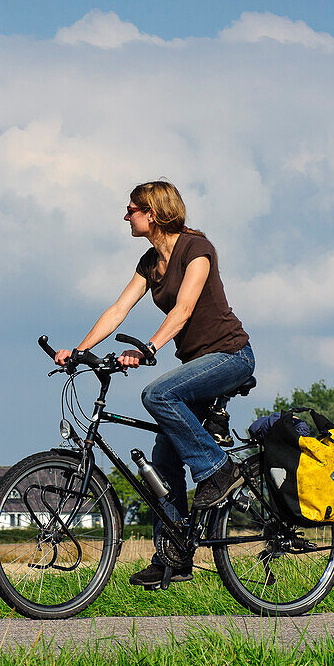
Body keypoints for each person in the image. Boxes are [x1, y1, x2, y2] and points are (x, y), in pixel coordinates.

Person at [53, 180, 255, 586]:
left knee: (156, 393)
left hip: (230, 357)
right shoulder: (150, 263)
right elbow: (117, 310)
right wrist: (77, 350)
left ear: (155, 213)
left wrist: (149, 348)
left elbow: (182, 310)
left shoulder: (197, 250)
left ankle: (219, 469)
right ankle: (174, 555)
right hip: (196, 365)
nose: (126, 216)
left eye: (131, 209)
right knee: (163, 458)